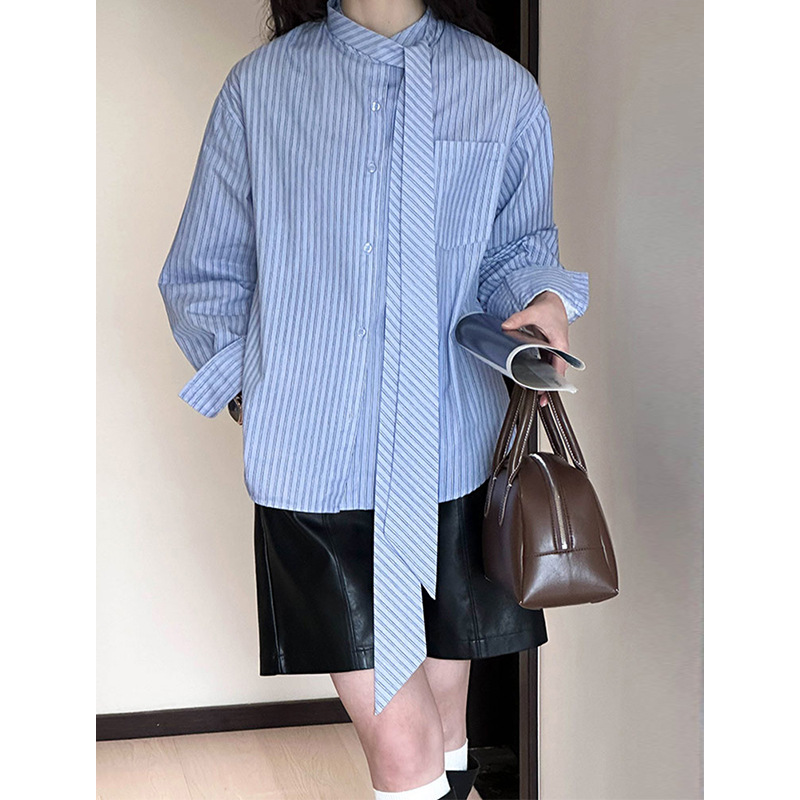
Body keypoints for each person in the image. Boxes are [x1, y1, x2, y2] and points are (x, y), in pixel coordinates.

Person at [157, 1, 589, 798]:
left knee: (448, 727)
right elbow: (204, 269)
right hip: (315, 467)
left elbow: (519, 249)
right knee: (404, 744)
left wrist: (545, 301)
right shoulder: (262, 87)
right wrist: (254, 392)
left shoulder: (501, 88)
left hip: (451, 455)